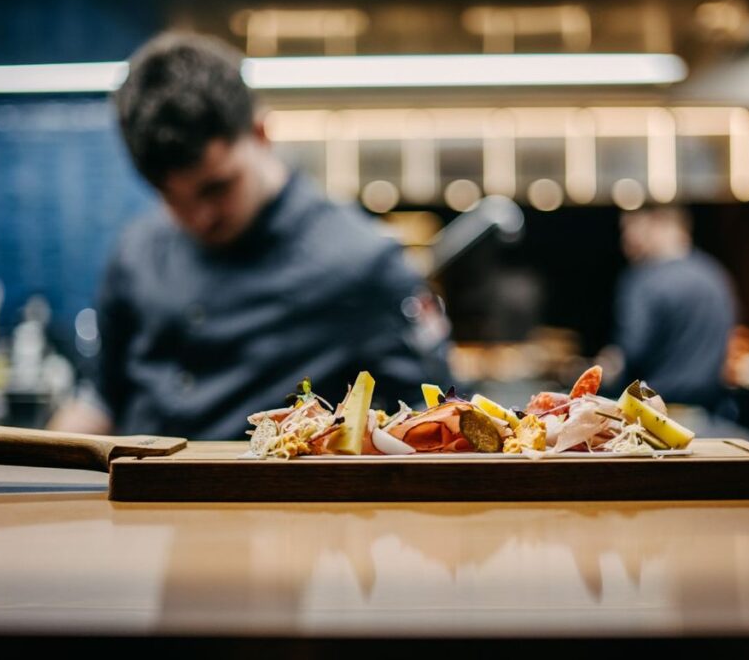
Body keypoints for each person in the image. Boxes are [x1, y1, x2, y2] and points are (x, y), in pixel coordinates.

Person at [48, 32, 452, 439]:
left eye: (216, 188)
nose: (200, 218)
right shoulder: (135, 253)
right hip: (136, 479)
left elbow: (435, 422)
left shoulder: (364, 263)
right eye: (173, 199)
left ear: (261, 132)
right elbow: (100, 398)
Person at [601, 205, 736, 410]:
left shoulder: (644, 280)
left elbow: (633, 351)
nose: (625, 240)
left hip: (656, 408)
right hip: (709, 410)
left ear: (657, 223)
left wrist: (604, 368)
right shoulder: (715, 274)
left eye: (630, 228)